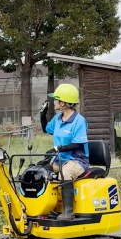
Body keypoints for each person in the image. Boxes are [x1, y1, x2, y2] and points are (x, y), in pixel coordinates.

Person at [39, 83, 89, 220]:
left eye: (55, 99)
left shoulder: (79, 121)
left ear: (62, 103)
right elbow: (46, 129)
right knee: (41, 170)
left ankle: (68, 212)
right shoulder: (58, 119)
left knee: (64, 174)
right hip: (60, 160)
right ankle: (45, 207)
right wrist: (42, 115)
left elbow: (78, 144)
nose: (53, 102)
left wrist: (58, 148)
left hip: (77, 160)